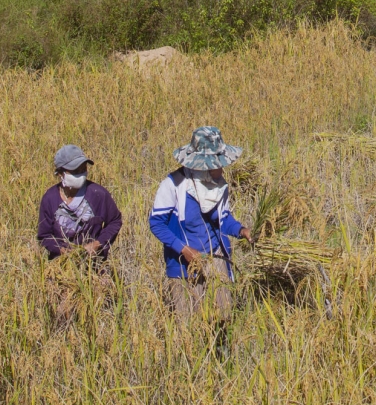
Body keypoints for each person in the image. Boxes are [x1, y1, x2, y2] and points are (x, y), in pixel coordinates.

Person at [148, 127, 253, 324]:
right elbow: (156, 223)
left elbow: (223, 219)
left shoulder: (218, 186)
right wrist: (184, 249)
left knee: (222, 322)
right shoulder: (173, 186)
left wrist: (241, 230)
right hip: (184, 267)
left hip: (215, 260)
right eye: (215, 166)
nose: (220, 170)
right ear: (201, 165)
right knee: (189, 326)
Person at [36, 144, 123, 323]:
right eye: (75, 171)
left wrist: (98, 244)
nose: (81, 174)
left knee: (96, 317)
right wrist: (62, 251)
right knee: (64, 319)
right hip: (62, 272)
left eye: (83, 169)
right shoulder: (50, 199)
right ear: (61, 174)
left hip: (93, 269)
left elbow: (115, 221)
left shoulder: (97, 194)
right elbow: (44, 236)